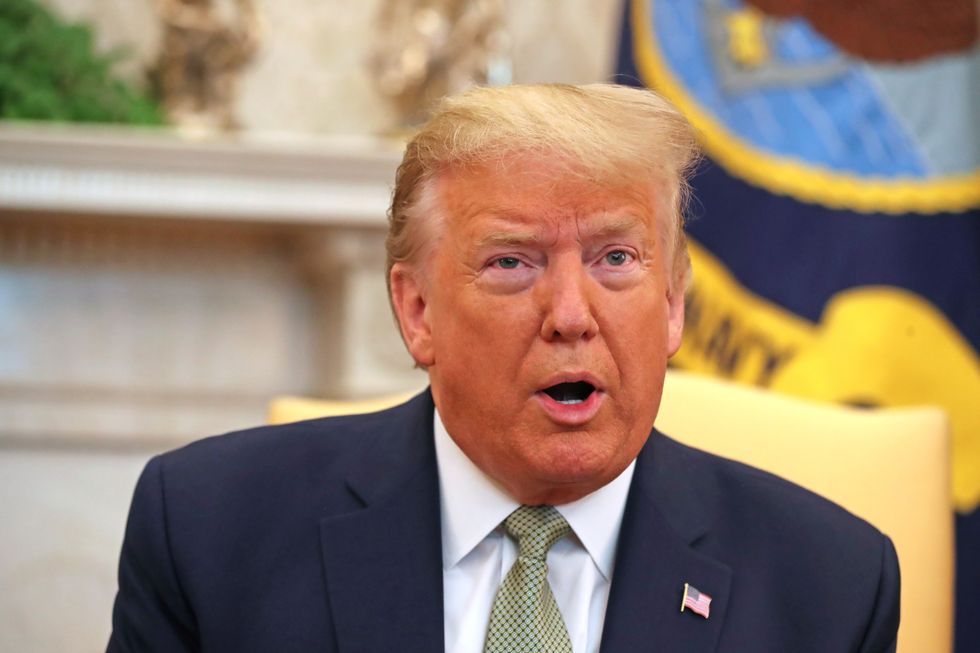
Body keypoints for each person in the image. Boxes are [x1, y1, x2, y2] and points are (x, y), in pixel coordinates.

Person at [107, 84, 899, 652]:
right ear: (417, 312)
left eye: (615, 257)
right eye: (513, 262)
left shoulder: (827, 584)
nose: (571, 313)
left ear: (672, 304)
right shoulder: (210, 531)